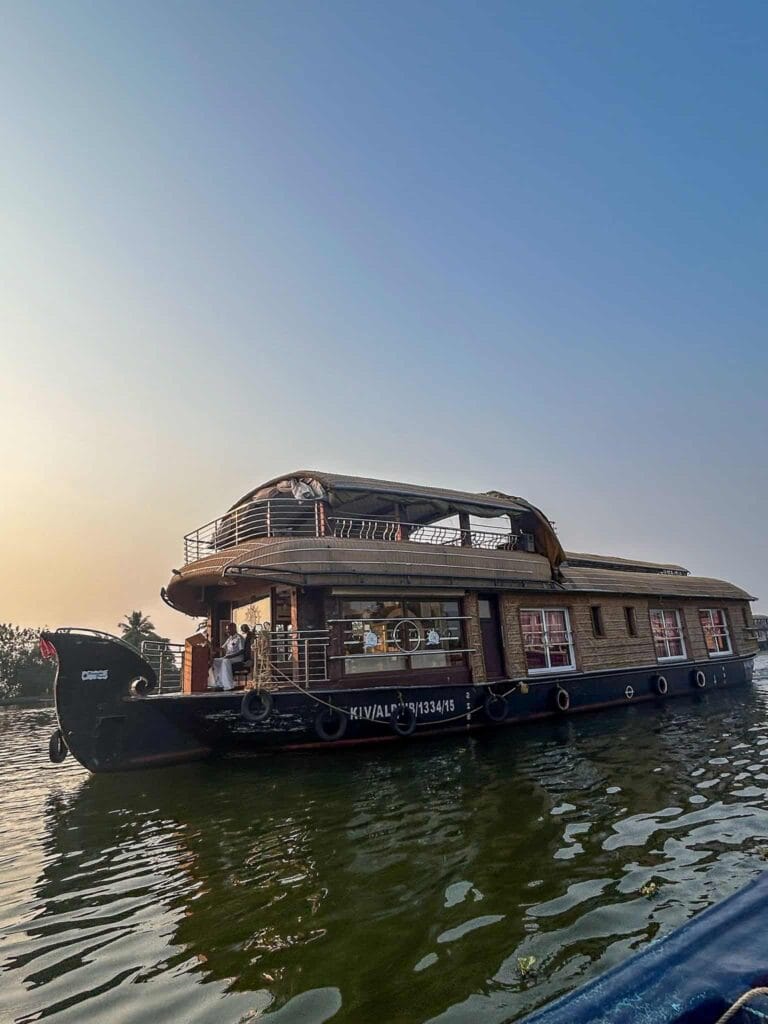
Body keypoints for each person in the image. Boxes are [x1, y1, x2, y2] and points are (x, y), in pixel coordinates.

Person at [211, 622, 244, 690]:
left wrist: (230, 656)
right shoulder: (229, 639)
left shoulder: (239, 638)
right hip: (228, 657)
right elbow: (222, 648)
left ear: (233, 629)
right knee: (215, 661)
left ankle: (229, 685)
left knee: (225, 661)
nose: (227, 631)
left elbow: (242, 651)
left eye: (228, 629)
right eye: (226, 629)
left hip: (237, 658)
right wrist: (212, 646)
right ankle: (219, 683)